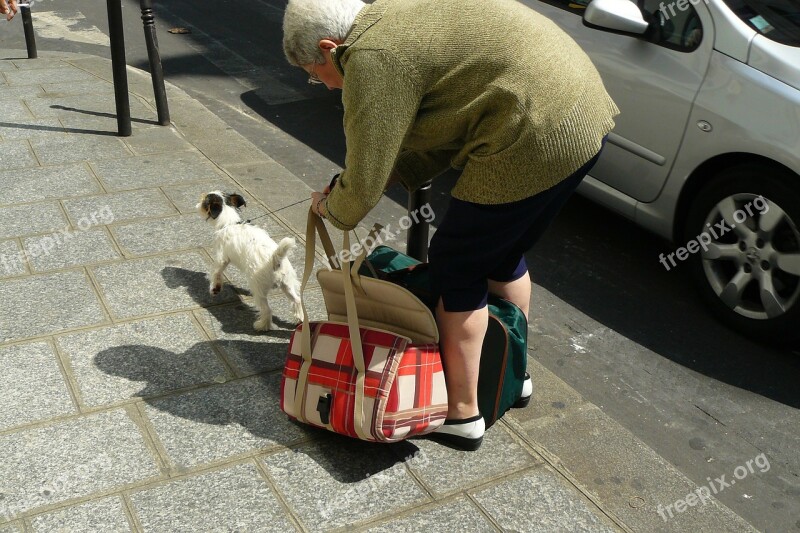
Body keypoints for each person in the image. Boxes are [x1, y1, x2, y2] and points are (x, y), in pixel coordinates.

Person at [283, 0, 619, 450]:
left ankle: (462, 414)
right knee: (502, 254)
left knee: (456, 266)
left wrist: (334, 207)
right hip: (582, 113)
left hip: (530, 132)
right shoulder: (392, 16)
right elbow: (442, 125)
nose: (321, 85)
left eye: (312, 72)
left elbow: (366, 170)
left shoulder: (369, 57)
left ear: (329, 48)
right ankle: (512, 374)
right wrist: (370, 181)